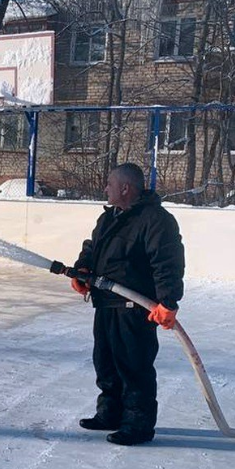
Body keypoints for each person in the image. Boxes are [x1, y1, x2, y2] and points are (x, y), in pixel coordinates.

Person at [71, 162, 185, 446]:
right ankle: (110, 413)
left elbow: (167, 261)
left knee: (133, 366)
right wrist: (83, 269)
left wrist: (168, 302)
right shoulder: (110, 217)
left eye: (109, 183)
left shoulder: (155, 220)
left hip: (135, 308)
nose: (105, 188)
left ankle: (138, 424)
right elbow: (92, 247)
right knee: (106, 363)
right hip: (106, 302)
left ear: (125, 187)